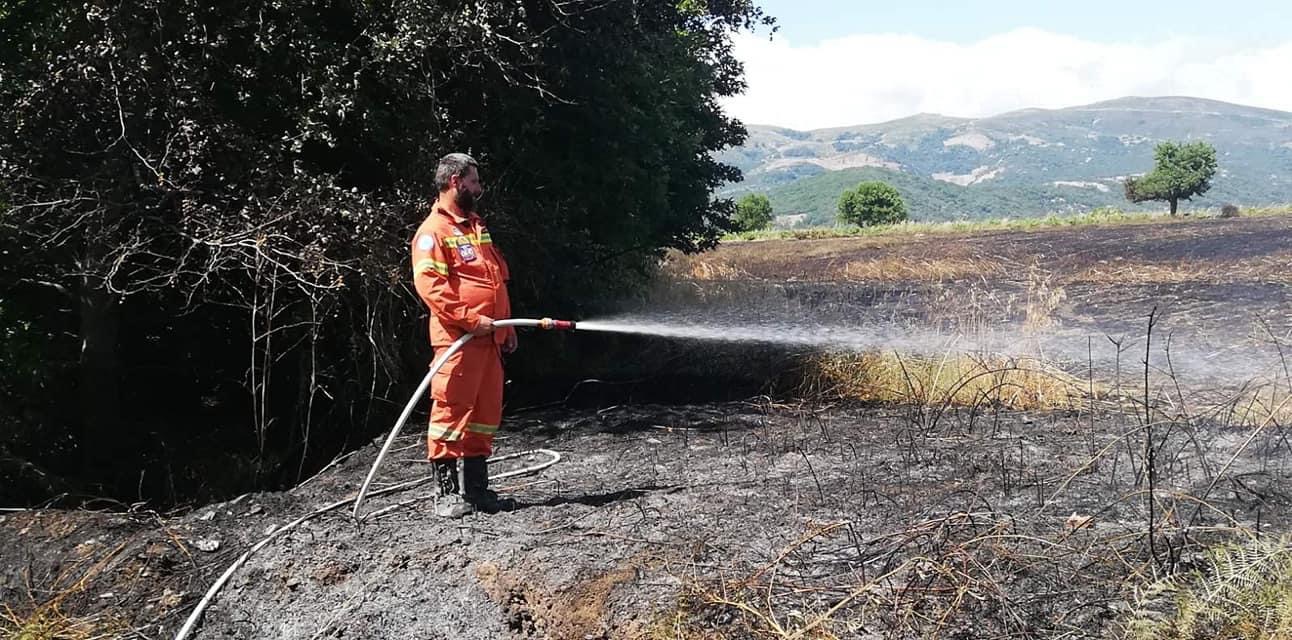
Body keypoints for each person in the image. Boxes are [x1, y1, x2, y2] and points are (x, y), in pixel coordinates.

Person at [411, 153, 518, 518]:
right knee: (450, 413)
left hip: (491, 339)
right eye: (474, 181)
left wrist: (507, 324)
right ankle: (445, 495)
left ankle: (477, 491)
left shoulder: (474, 226)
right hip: (458, 341)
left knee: (484, 416)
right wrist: (473, 321)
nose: (479, 188)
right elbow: (432, 288)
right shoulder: (433, 233)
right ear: (456, 181)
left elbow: (493, 278)